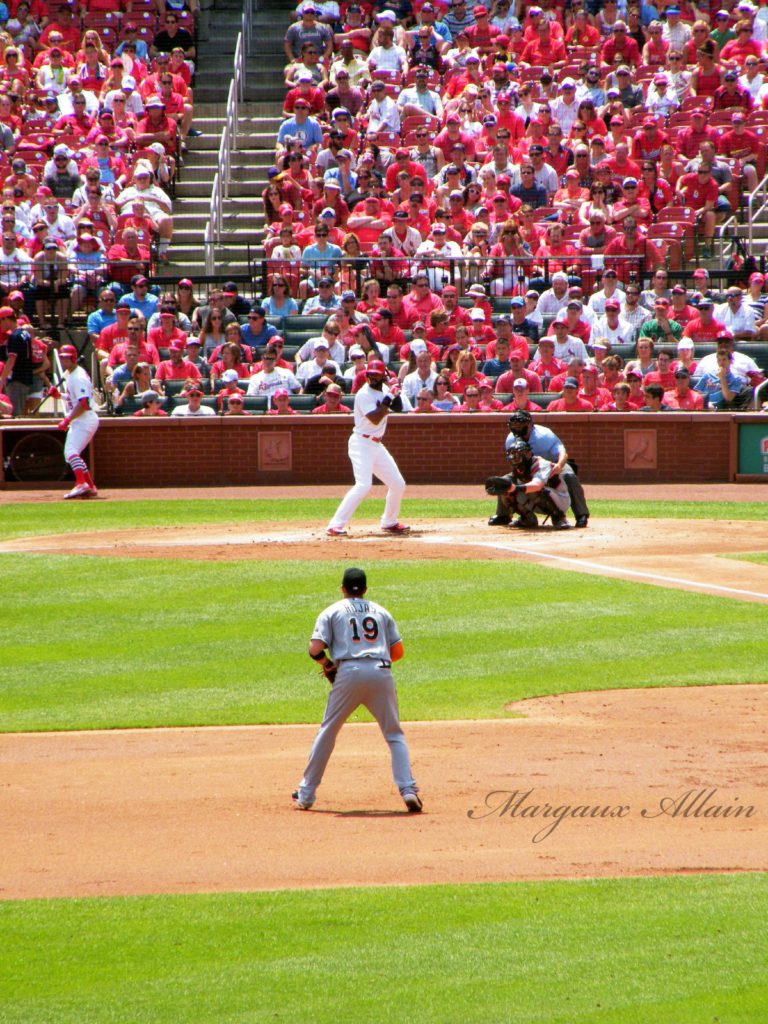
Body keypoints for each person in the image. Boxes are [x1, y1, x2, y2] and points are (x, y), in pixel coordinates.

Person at [292, 566, 421, 813]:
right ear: (365, 589)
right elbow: (398, 652)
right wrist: (373, 667)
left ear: (342, 588)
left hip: (348, 674)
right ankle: (408, 790)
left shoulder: (331, 611)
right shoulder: (381, 611)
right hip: (381, 672)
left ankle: (306, 794)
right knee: (394, 735)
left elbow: (314, 649)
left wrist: (329, 664)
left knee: (328, 732)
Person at [326, 360, 409, 538]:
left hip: (376, 445)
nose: (372, 377)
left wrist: (397, 393)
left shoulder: (385, 389)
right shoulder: (364, 394)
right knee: (364, 485)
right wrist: (389, 397)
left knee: (398, 484)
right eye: (370, 374)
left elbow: (399, 408)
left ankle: (389, 521)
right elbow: (375, 418)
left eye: (376, 374)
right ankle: (335, 525)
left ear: (382, 376)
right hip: (361, 443)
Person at [491, 410, 590, 528]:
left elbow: (562, 452)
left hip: (552, 463)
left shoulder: (544, 435)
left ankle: (581, 514)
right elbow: (514, 463)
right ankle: (504, 515)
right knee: (504, 481)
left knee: (569, 476)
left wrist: (559, 465)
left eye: (520, 425)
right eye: (514, 426)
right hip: (529, 468)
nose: (517, 429)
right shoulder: (511, 439)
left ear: (530, 425)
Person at [486, 437, 571, 530]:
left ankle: (559, 518)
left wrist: (515, 488)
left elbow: (537, 485)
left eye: (518, 455)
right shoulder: (518, 468)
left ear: (528, 454)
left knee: (534, 490)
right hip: (537, 501)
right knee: (507, 491)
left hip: (560, 500)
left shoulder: (541, 464)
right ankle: (527, 519)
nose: (515, 458)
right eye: (513, 456)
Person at [56, 344, 99, 499]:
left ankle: (81, 483)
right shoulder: (71, 374)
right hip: (81, 420)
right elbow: (74, 398)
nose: (64, 361)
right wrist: (59, 396)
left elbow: (83, 404)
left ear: (73, 358)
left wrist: (67, 419)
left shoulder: (78, 376)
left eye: (67, 358)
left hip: (85, 419)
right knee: (72, 454)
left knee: (70, 452)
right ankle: (90, 486)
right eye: (62, 358)